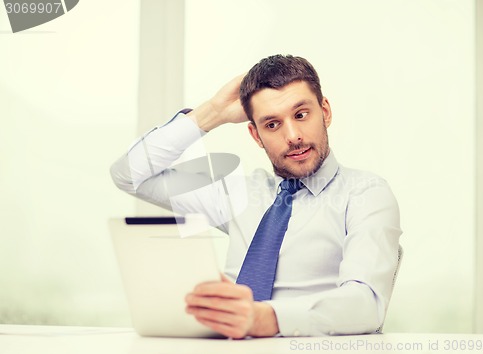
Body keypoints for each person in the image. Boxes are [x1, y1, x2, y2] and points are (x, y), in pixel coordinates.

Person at [110, 54, 402, 339]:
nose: (293, 135)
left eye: (301, 115)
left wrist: (266, 318)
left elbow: (366, 303)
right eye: (272, 124)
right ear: (255, 135)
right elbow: (130, 175)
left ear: (325, 111)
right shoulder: (236, 193)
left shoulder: (365, 193)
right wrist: (212, 113)